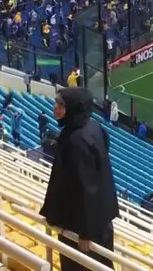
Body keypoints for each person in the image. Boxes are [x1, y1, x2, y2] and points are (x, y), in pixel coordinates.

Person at [39, 88, 119, 270]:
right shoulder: (92, 127)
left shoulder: (77, 140)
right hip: (97, 218)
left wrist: (85, 231)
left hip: (82, 225)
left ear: (73, 108)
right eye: (56, 103)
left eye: (61, 105)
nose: (56, 108)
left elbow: (86, 186)